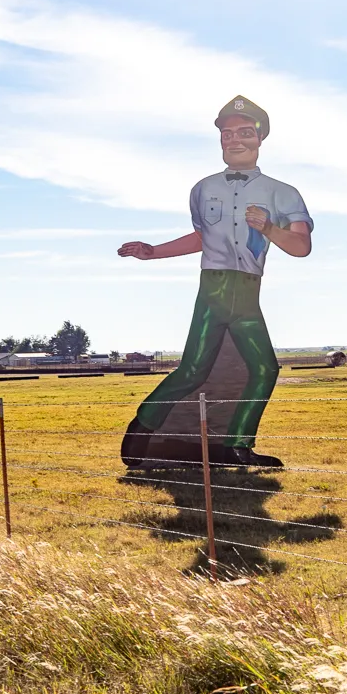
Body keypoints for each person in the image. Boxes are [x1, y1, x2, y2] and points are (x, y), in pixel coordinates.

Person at [117, 96, 312, 467]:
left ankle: (238, 446)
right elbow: (201, 238)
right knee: (193, 369)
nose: (234, 140)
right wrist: (152, 251)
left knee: (263, 368)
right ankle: (140, 434)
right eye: (226, 133)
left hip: (247, 291)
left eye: (243, 132)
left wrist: (269, 227)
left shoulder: (282, 192)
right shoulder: (202, 188)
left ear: (260, 137)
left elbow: (301, 246)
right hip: (214, 288)